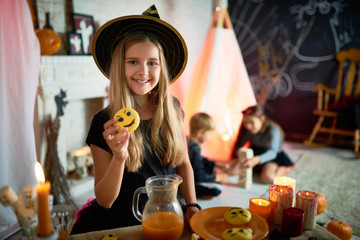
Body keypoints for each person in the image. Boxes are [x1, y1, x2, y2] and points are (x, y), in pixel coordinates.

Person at [70, 5, 199, 234]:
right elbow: (105, 200)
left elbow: (183, 162)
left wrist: (192, 204)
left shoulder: (172, 108)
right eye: (133, 62)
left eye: (152, 62)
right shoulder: (104, 122)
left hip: (168, 213)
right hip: (122, 220)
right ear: (120, 67)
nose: (144, 71)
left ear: (162, 68)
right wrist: (119, 156)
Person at [232, 105, 295, 184]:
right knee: (233, 170)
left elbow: (273, 152)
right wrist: (238, 156)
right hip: (256, 151)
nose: (248, 126)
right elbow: (239, 146)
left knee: (268, 178)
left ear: (262, 119)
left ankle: (284, 169)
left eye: (251, 122)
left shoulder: (273, 129)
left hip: (271, 155)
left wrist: (256, 160)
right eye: (245, 123)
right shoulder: (246, 129)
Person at [187, 113, 225, 199]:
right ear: (200, 132)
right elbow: (198, 176)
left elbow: (199, 160)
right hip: (192, 180)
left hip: (193, 174)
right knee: (218, 188)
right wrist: (217, 177)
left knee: (210, 168)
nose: (210, 137)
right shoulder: (194, 149)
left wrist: (215, 164)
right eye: (209, 134)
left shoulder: (189, 142)